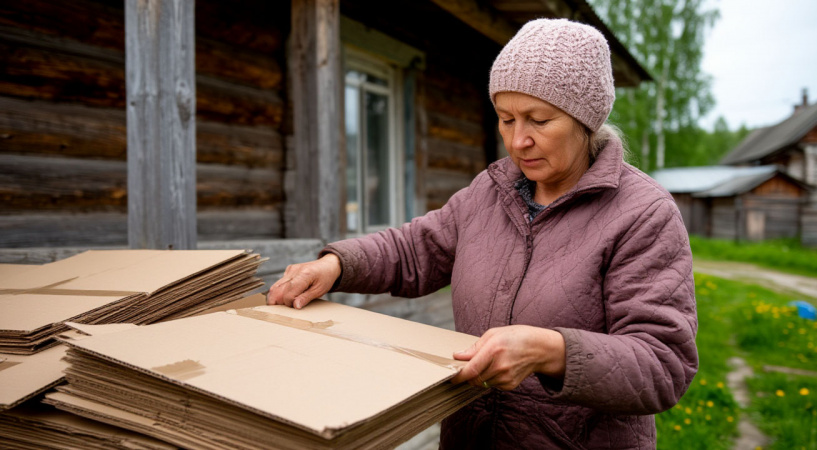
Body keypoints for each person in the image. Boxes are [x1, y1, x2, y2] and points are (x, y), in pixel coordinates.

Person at [268, 18, 697, 449]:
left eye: (538, 120)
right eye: (506, 119)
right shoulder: (490, 192)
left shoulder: (643, 214)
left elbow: (663, 364)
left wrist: (551, 352)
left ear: (585, 119)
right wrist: (337, 265)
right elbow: (414, 249)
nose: (518, 140)